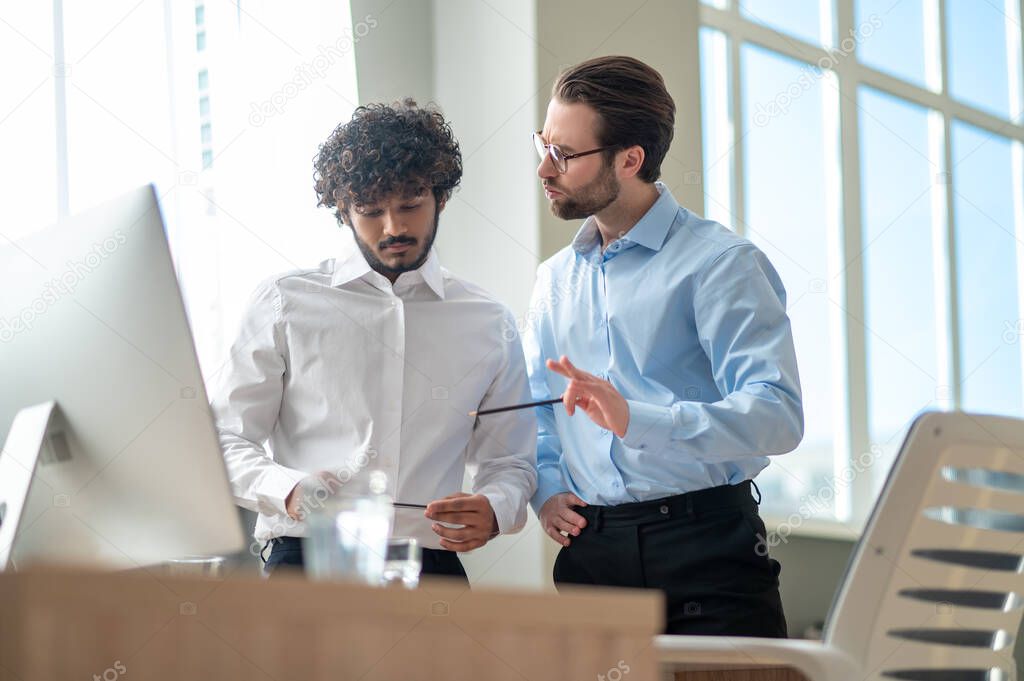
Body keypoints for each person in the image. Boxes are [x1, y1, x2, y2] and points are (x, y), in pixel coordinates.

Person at [525, 56, 803, 635]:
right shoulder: (554, 280)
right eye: (543, 145)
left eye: (565, 155)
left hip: (708, 551)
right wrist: (547, 490)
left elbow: (777, 414)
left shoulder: (720, 264)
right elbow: (539, 409)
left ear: (630, 159)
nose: (544, 169)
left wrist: (638, 418)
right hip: (591, 554)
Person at [210, 99, 537, 582]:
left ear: (441, 197)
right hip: (306, 559)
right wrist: (289, 488)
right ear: (343, 212)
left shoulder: (489, 321)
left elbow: (512, 462)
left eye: (411, 205)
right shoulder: (283, 302)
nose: (394, 227)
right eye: (370, 211)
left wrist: (494, 507)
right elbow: (225, 438)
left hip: (430, 570)